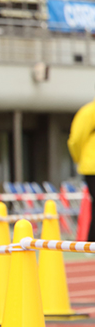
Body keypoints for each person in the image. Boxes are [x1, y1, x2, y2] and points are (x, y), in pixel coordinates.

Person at [68, 88, 95, 242]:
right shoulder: (89, 112)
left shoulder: (88, 111)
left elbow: (75, 141)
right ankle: (92, 241)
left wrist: (79, 159)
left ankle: (92, 241)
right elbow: (76, 140)